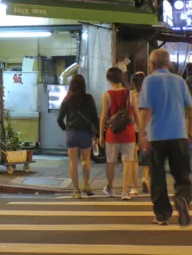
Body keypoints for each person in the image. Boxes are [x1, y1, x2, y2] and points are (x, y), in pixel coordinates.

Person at [139, 49, 192, 227]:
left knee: (157, 176)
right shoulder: (179, 81)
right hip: (179, 135)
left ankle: (162, 214)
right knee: (182, 174)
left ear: (151, 64)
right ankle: (182, 197)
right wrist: (190, 130)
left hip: (156, 137)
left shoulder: (149, 81)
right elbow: (190, 108)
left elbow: (146, 110)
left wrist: (143, 134)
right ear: (168, 63)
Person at [57, 74, 99, 199]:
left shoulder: (67, 99)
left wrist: (66, 128)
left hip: (71, 133)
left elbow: (59, 119)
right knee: (86, 160)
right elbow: (94, 116)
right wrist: (96, 133)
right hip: (85, 133)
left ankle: (76, 191)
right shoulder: (89, 98)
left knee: (72, 162)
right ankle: (86, 183)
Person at [100, 67, 139, 200]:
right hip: (128, 133)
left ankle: (110, 187)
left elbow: (103, 117)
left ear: (108, 79)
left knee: (110, 162)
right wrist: (141, 130)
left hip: (112, 134)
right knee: (128, 162)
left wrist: (101, 135)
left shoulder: (107, 95)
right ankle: (125, 192)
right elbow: (137, 114)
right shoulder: (130, 93)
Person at [130, 71, 151, 194]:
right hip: (145, 128)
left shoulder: (131, 94)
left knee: (133, 156)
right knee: (145, 154)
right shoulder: (148, 94)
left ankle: (134, 186)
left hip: (132, 128)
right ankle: (145, 177)